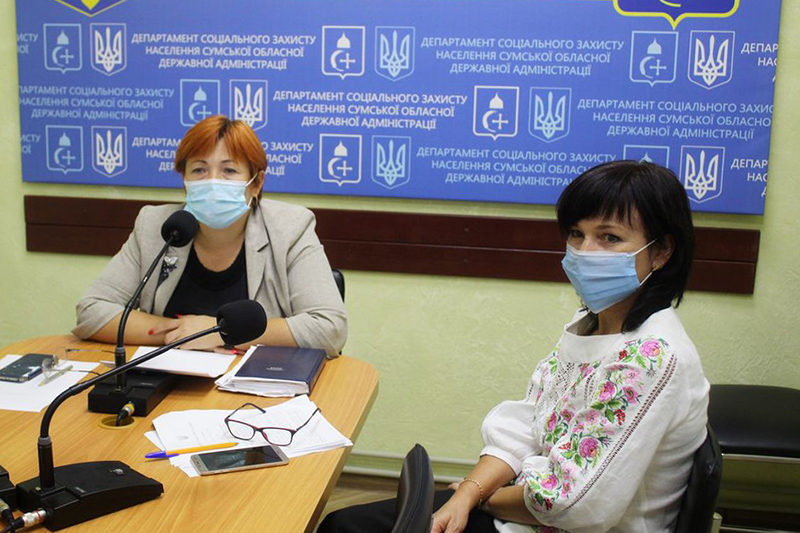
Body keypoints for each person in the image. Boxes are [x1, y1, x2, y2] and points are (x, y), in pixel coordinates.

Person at [318, 161, 708, 533]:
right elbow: (528, 424)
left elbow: (571, 504)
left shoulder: (651, 357)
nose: (585, 251)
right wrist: (468, 492)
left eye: (609, 238)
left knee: (348, 527)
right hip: (525, 507)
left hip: (561, 522)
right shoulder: (592, 325)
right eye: (577, 234)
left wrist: (481, 499)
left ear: (661, 251)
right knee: (347, 524)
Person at [73, 115, 347, 356]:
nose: (212, 181)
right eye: (199, 170)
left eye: (229, 170)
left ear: (256, 183)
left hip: (258, 387)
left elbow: (328, 329)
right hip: (170, 382)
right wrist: (184, 332)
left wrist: (219, 333)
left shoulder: (290, 228)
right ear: (185, 181)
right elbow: (91, 312)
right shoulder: (156, 226)